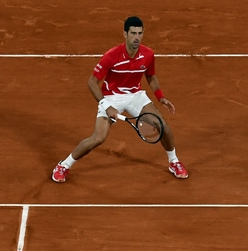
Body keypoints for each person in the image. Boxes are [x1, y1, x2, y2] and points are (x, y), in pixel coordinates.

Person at [51, 16, 188, 183]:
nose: (136, 37)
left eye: (139, 33)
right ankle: (64, 165)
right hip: (111, 97)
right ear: (125, 34)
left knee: (163, 126)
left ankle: (173, 161)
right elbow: (92, 82)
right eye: (133, 33)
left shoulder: (148, 54)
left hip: (135, 96)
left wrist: (161, 97)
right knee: (98, 138)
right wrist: (106, 105)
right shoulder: (112, 56)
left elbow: (151, 76)